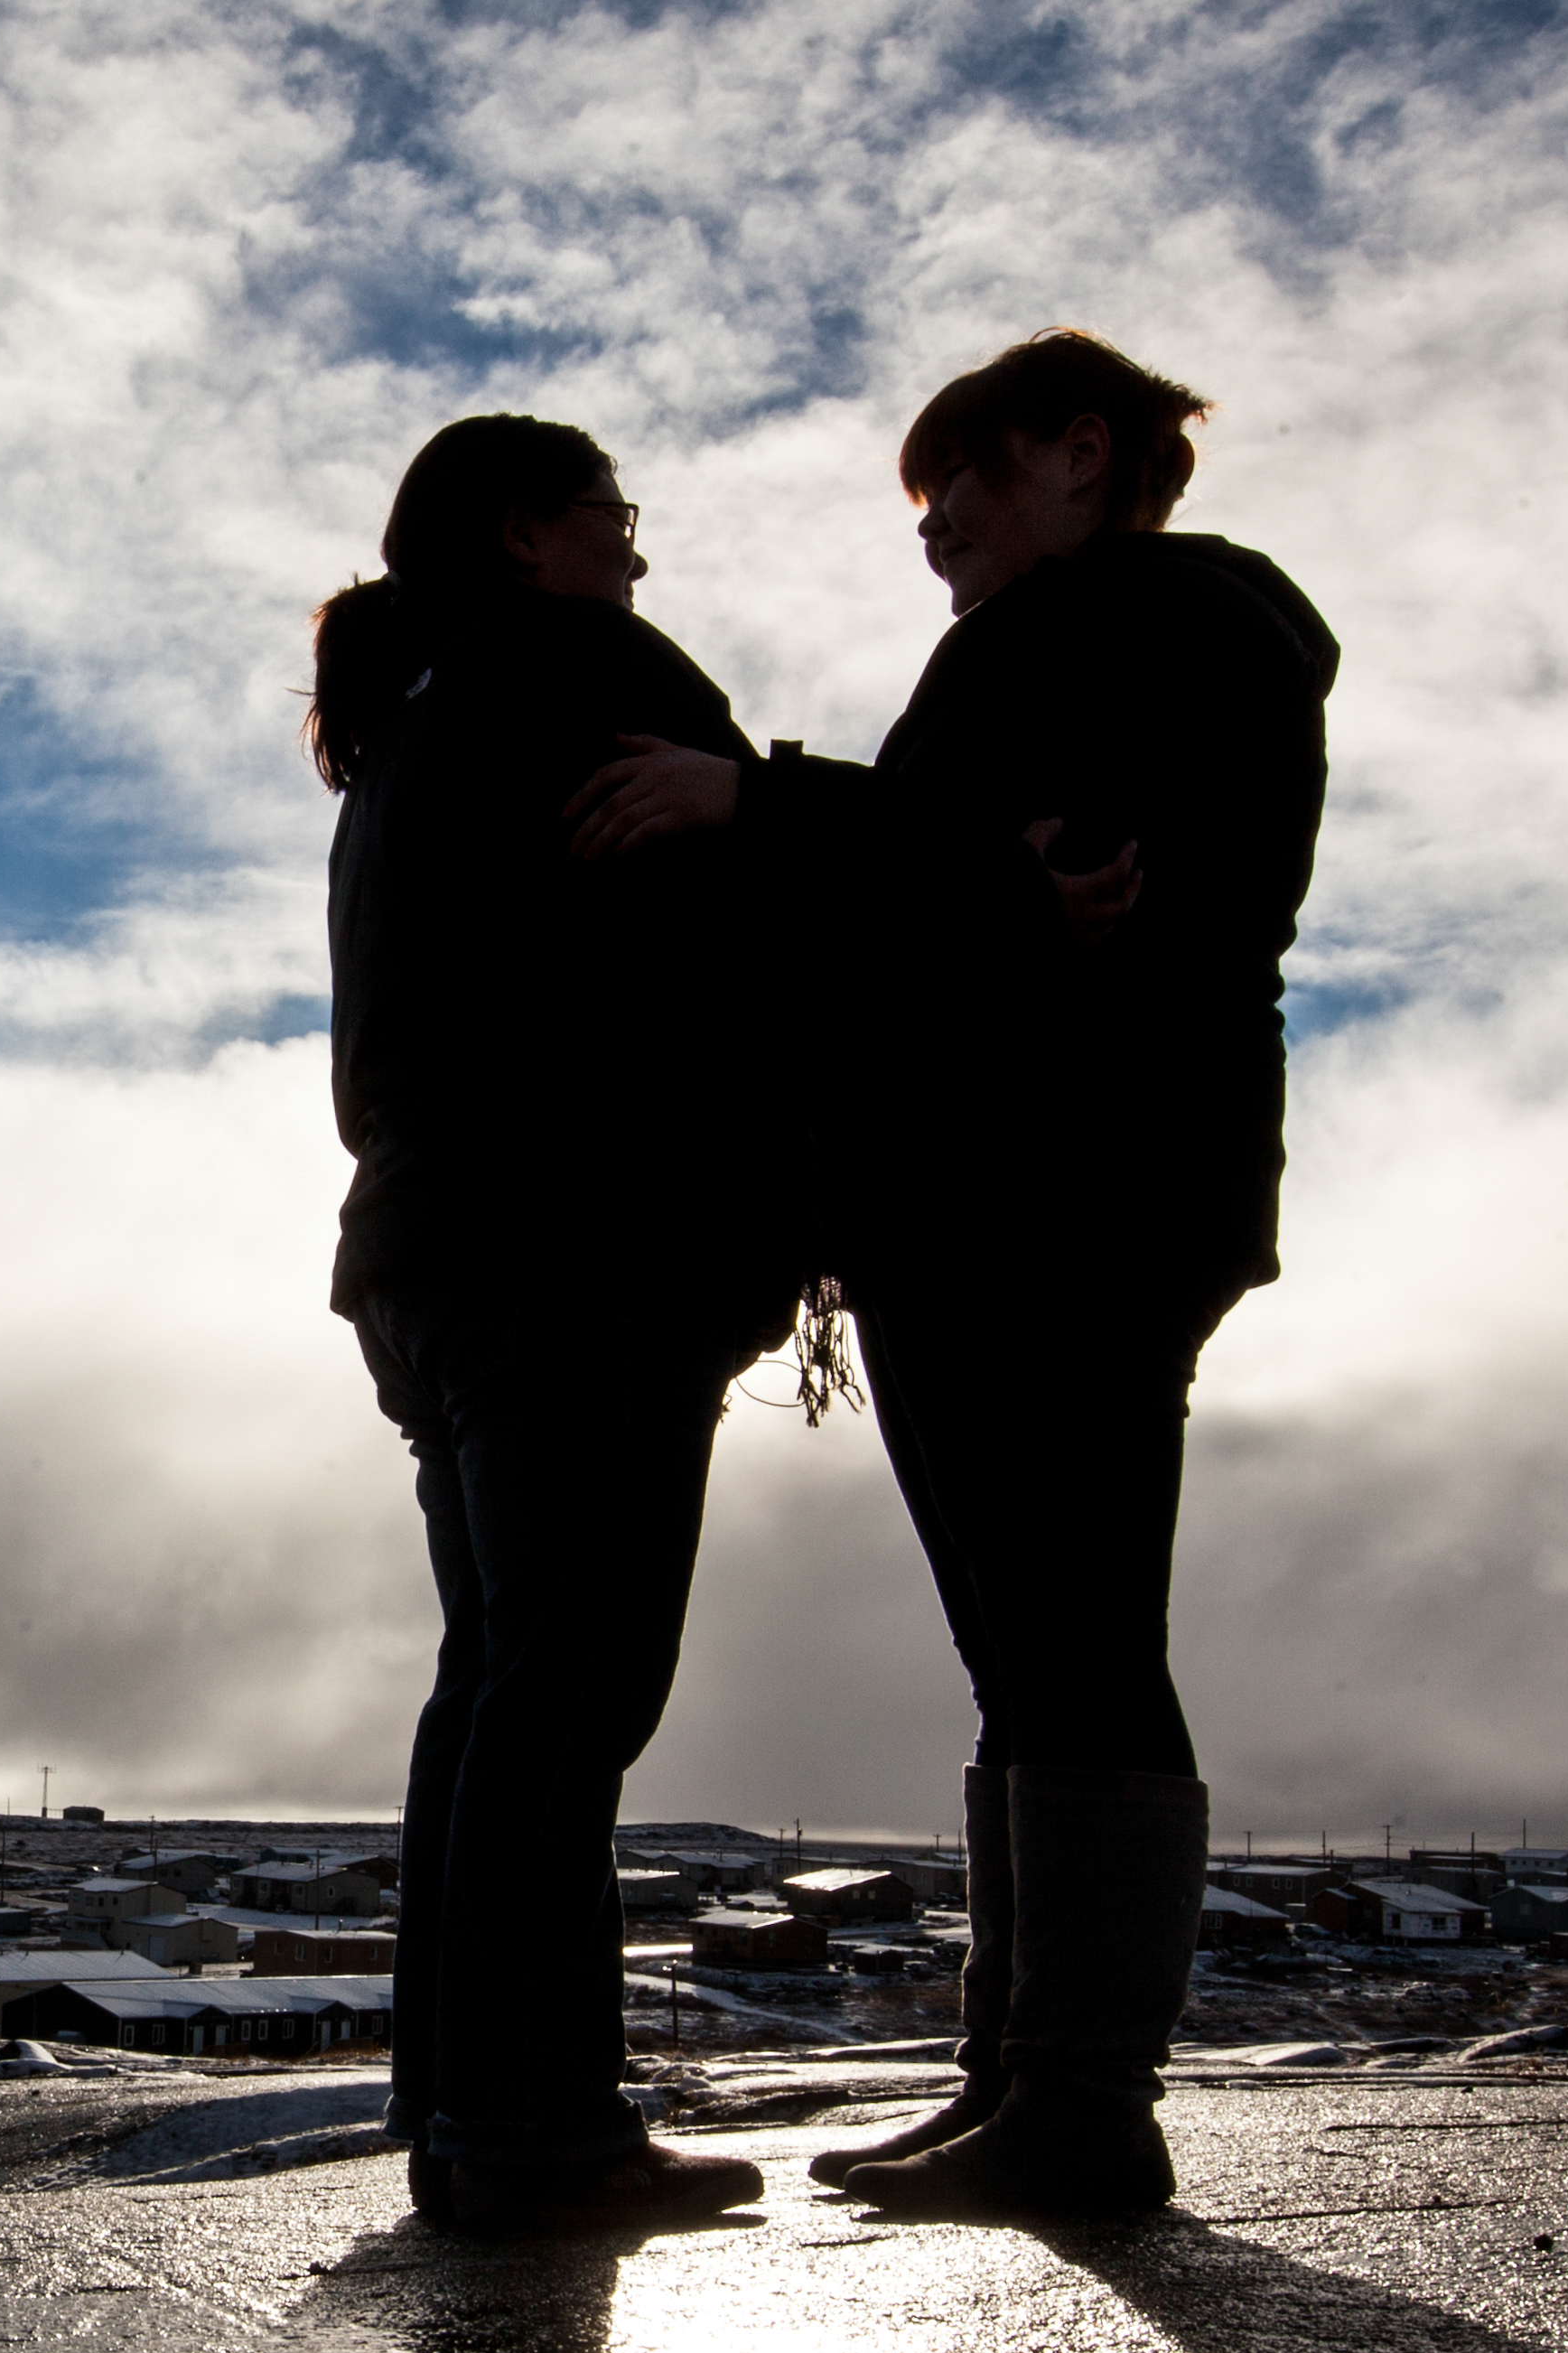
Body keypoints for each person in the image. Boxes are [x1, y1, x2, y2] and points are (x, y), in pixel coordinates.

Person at [569, 331, 1339, 2221]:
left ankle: (1084, 2105)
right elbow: (968, 901)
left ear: (1084, 454)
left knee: (1071, 1642)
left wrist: (761, 805)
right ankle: (1022, 2078)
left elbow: (1043, 870)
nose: (937, 537)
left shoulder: (1160, 626)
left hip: (1069, 1194)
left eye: (961, 490)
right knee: (1028, 1658)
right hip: (993, 1201)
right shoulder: (1080, 638)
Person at [308, 414, 786, 2233]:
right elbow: (756, 925)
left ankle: (464, 2100)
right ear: (527, 534)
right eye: (616, 518)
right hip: (582, 1251)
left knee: (498, 1675)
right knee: (575, 1682)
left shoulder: (408, 733)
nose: (639, 556)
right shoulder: (582, 669)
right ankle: (532, 2128)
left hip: (430, 1265)